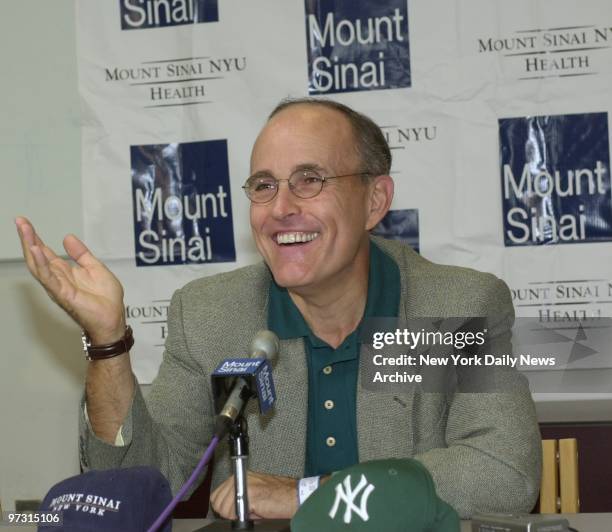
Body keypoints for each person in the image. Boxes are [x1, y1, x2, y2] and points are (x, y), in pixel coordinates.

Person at [15, 98, 541, 520]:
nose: (281, 208)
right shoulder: (212, 315)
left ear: (375, 201)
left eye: (310, 180)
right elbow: (140, 486)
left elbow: (501, 472)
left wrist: (309, 493)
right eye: (264, 186)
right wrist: (109, 342)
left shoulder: (447, 310)